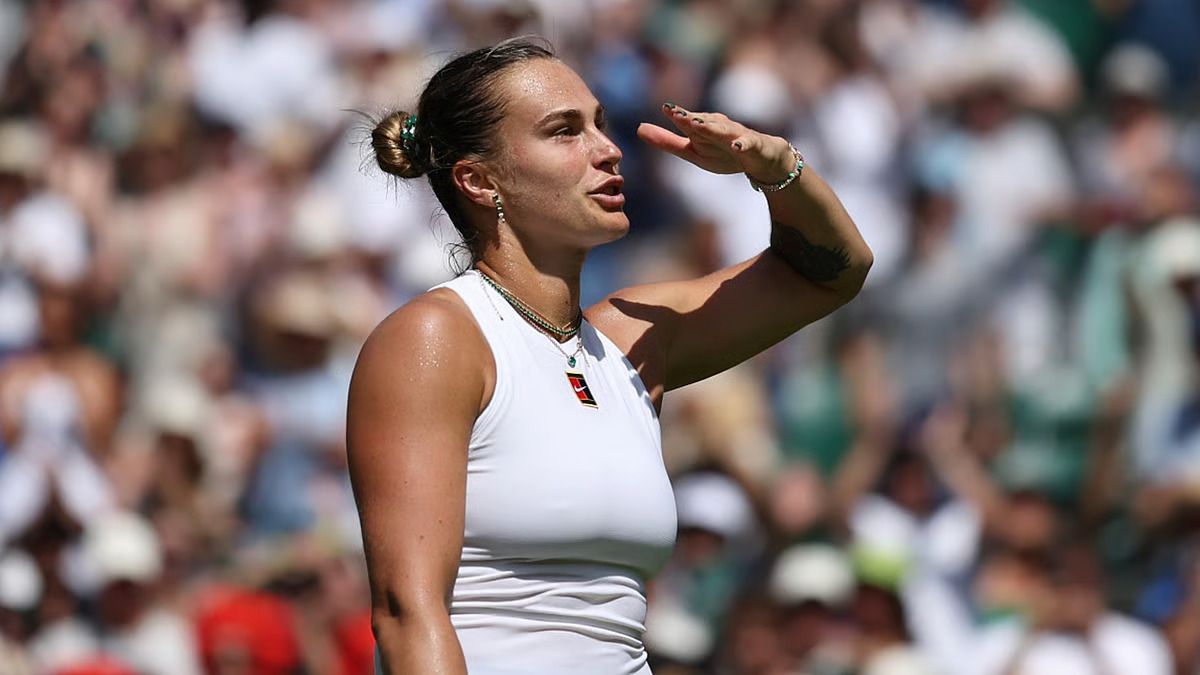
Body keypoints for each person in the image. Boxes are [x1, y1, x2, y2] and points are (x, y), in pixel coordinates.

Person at [346, 38, 872, 675]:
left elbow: (832, 272)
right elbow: (407, 613)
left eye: (600, 122)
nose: (608, 148)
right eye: (564, 131)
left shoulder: (628, 342)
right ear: (479, 181)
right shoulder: (436, 337)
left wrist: (776, 166)